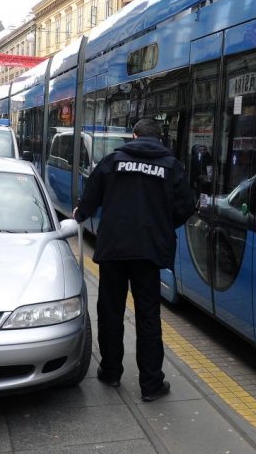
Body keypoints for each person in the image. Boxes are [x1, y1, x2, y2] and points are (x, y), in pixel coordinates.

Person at [73, 118, 194, 402]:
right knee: (148, 316)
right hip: (149, 251)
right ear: (158, 139)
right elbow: (186, 207)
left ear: (134, 135)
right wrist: (163, 224)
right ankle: (151, 384)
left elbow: (89, 201)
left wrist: (79, 216)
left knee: (110, 310)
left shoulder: (112, 161)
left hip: (114, 249)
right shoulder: (171, 167)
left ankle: (111, 371)